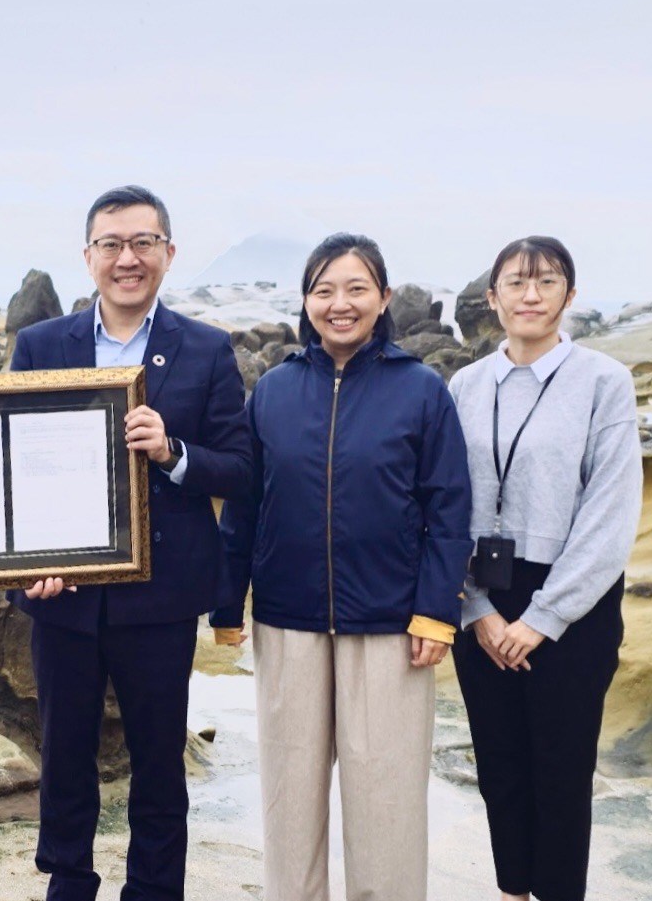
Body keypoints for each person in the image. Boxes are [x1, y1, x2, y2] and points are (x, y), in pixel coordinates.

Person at [209, 232, 472, 901]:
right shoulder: (271, 391)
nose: (340, 303)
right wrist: (225, 602)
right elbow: (244, 500)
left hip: (390, 624)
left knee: (385, 799)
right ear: (305, 300)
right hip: (287, 619)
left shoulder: (421, 391)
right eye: (325, 289)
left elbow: (448, 509)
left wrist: (437, 611)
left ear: (384, 299)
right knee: (288, 796)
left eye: (357, 288)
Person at [11, 185, 253, 901]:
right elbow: (13, 463)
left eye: (143, 243)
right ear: (88, 257)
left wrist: (174, 450)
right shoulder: (41, 343)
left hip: (163, 597)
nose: (128, 258)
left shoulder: (207, 349)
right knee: (64, 755)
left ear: (168, 254)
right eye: (111, 244)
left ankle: (153, 888)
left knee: (157, 759)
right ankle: (70, 880)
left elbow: (240, 468)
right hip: (64, 595)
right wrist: (24, 574)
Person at [448, 236, 641, 901]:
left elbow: (610, 512)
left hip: (572, 601)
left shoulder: (604, 382)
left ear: (570, 295)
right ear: (491, 296)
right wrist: (477, 609)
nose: (531, 295)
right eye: (517, 282)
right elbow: (446, 504)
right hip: (483, 593)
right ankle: (510, 891)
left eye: (547, 281)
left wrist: (543, 617)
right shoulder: (465, 385)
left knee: (561, 771)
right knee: (499, 765)